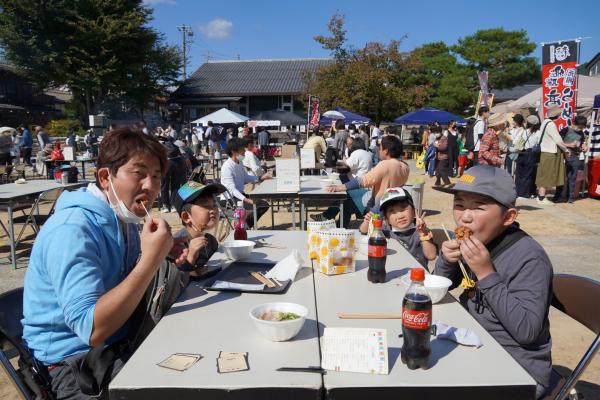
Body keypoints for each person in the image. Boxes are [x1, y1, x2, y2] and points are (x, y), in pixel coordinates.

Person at [21, 127, 183, 399]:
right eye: (139, 173)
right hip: (71, 367)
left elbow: (125, 281)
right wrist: (150, 261)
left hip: (118, 343)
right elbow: (92, 329)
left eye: (156, 176)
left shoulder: (125, 220)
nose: (151, 186)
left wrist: (162, 255)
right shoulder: (72, 229)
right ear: (106, 177)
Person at [433, 165, 553, 399]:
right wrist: (447, 261)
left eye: (477, 207)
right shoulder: (479, 241)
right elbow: (442, 288)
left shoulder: (530, 258)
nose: (464, 217)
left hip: (518, 367)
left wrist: (486, 274)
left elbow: (527, 331)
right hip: (475, 340)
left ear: (508, 217)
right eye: (459, 205)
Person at [321, 135, 410, 215]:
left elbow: (363, 181)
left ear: (386, 151)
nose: (378, 150)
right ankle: (332, 221)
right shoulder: (405, 167)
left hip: (379, 205)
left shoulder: (385, 164)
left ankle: (328, 219)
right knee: (347, 200)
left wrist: (339, 187)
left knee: (345, 200)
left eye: (380, 147)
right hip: (392, 203)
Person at [360, 187, 437, 267]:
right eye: (392, 211)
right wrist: (367, 222)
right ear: (386, 218)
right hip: (394, 270)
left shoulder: (422, 230)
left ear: (414, 211)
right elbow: (363, 231)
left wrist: (422, 234)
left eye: (403, 209)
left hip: (417, 273)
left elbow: (431, 256)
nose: (400, 216)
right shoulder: (385, 230)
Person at [172, 181, 225, 275]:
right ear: (186, 217)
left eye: (214, 205)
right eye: (205, 206)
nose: (213, 210)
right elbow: (175, 282)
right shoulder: (176, 247)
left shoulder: (211, 241)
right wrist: (190, 258)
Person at [220, 138, 272, 228]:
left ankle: (245, 225)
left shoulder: (239, 163)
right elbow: (231, 189)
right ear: (234, 151)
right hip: (230, 199)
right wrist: (247, 200)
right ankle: (243, 225)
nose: (244, 151)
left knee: (264, 205)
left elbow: (246, 178)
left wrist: (260, 178)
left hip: (239, 196)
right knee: (257, 205)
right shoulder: (227, 167)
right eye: (242, 149)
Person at [535, 106, 568, 205]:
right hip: (550, 152)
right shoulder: (551, 124)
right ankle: (541, 198)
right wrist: (566, 149)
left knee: (544, 173)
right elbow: (558, 140)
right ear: (557, 115)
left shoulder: (545, 122)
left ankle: (541, 196)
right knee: (547, 175)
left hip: (545, 151)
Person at [559, 115, 588, 203]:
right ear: (573, 123)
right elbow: (558, 141)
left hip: (575, 156)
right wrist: (568, 145)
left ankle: (570, 197)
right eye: (579, 127)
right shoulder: (565, 130)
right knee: (562, 177)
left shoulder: (581, 133)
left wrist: (584, 146)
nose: (580, 129)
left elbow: (582, 142)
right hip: (563, 156)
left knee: (573, 177)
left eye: (582, 128)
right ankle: (558, 196)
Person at [514, 115, 540, 199]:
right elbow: (539, 144)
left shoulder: (523, 131)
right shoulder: (538, 133)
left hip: (521, 153)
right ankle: (525, 194)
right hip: (531, 154)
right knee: (527, 175)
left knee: (519, 174)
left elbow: (516, 142)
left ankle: (518, 193)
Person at [158, 138, 186, 213]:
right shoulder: (174, 145)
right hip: (177, 163)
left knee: (164, 185)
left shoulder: (159, 145)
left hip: (167, 163)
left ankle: (165, 206)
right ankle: (173, 205)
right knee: (175, 185)